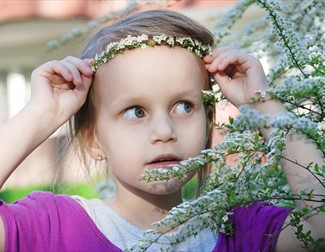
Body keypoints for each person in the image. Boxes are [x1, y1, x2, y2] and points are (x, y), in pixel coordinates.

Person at [0, 9, 324, 252]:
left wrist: (264, 105)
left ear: (208, 122)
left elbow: (319, 225)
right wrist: (40, 114)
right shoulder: (54, 229)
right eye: (135, 111)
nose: (164, 130)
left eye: (184, 106)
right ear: (93, 138)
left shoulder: (241, 229)